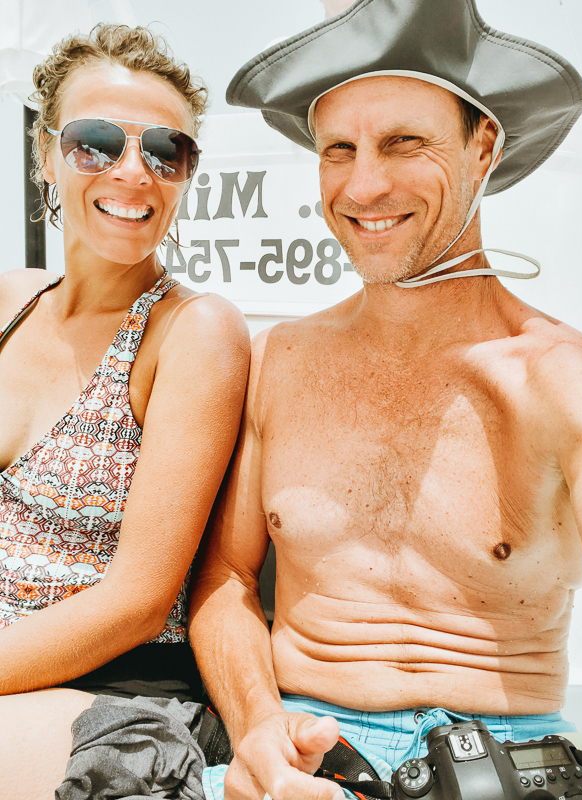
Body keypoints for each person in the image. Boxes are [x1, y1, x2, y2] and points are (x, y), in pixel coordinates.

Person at [188, 1, 582, 799]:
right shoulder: (280, 358)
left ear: (485, 146)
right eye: (338, 150)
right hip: (310, 746)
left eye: (404, 142)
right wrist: (260, 732)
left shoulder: (564, 381)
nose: (364, 183)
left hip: (513, 759)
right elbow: (225, 582)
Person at [0, 23, 249, 800]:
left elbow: (139, 601)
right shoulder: (11, 299)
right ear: (46, 154)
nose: (133, 172)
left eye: (166, 151)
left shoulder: (193, 332)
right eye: (96, 142)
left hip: (116, 697)